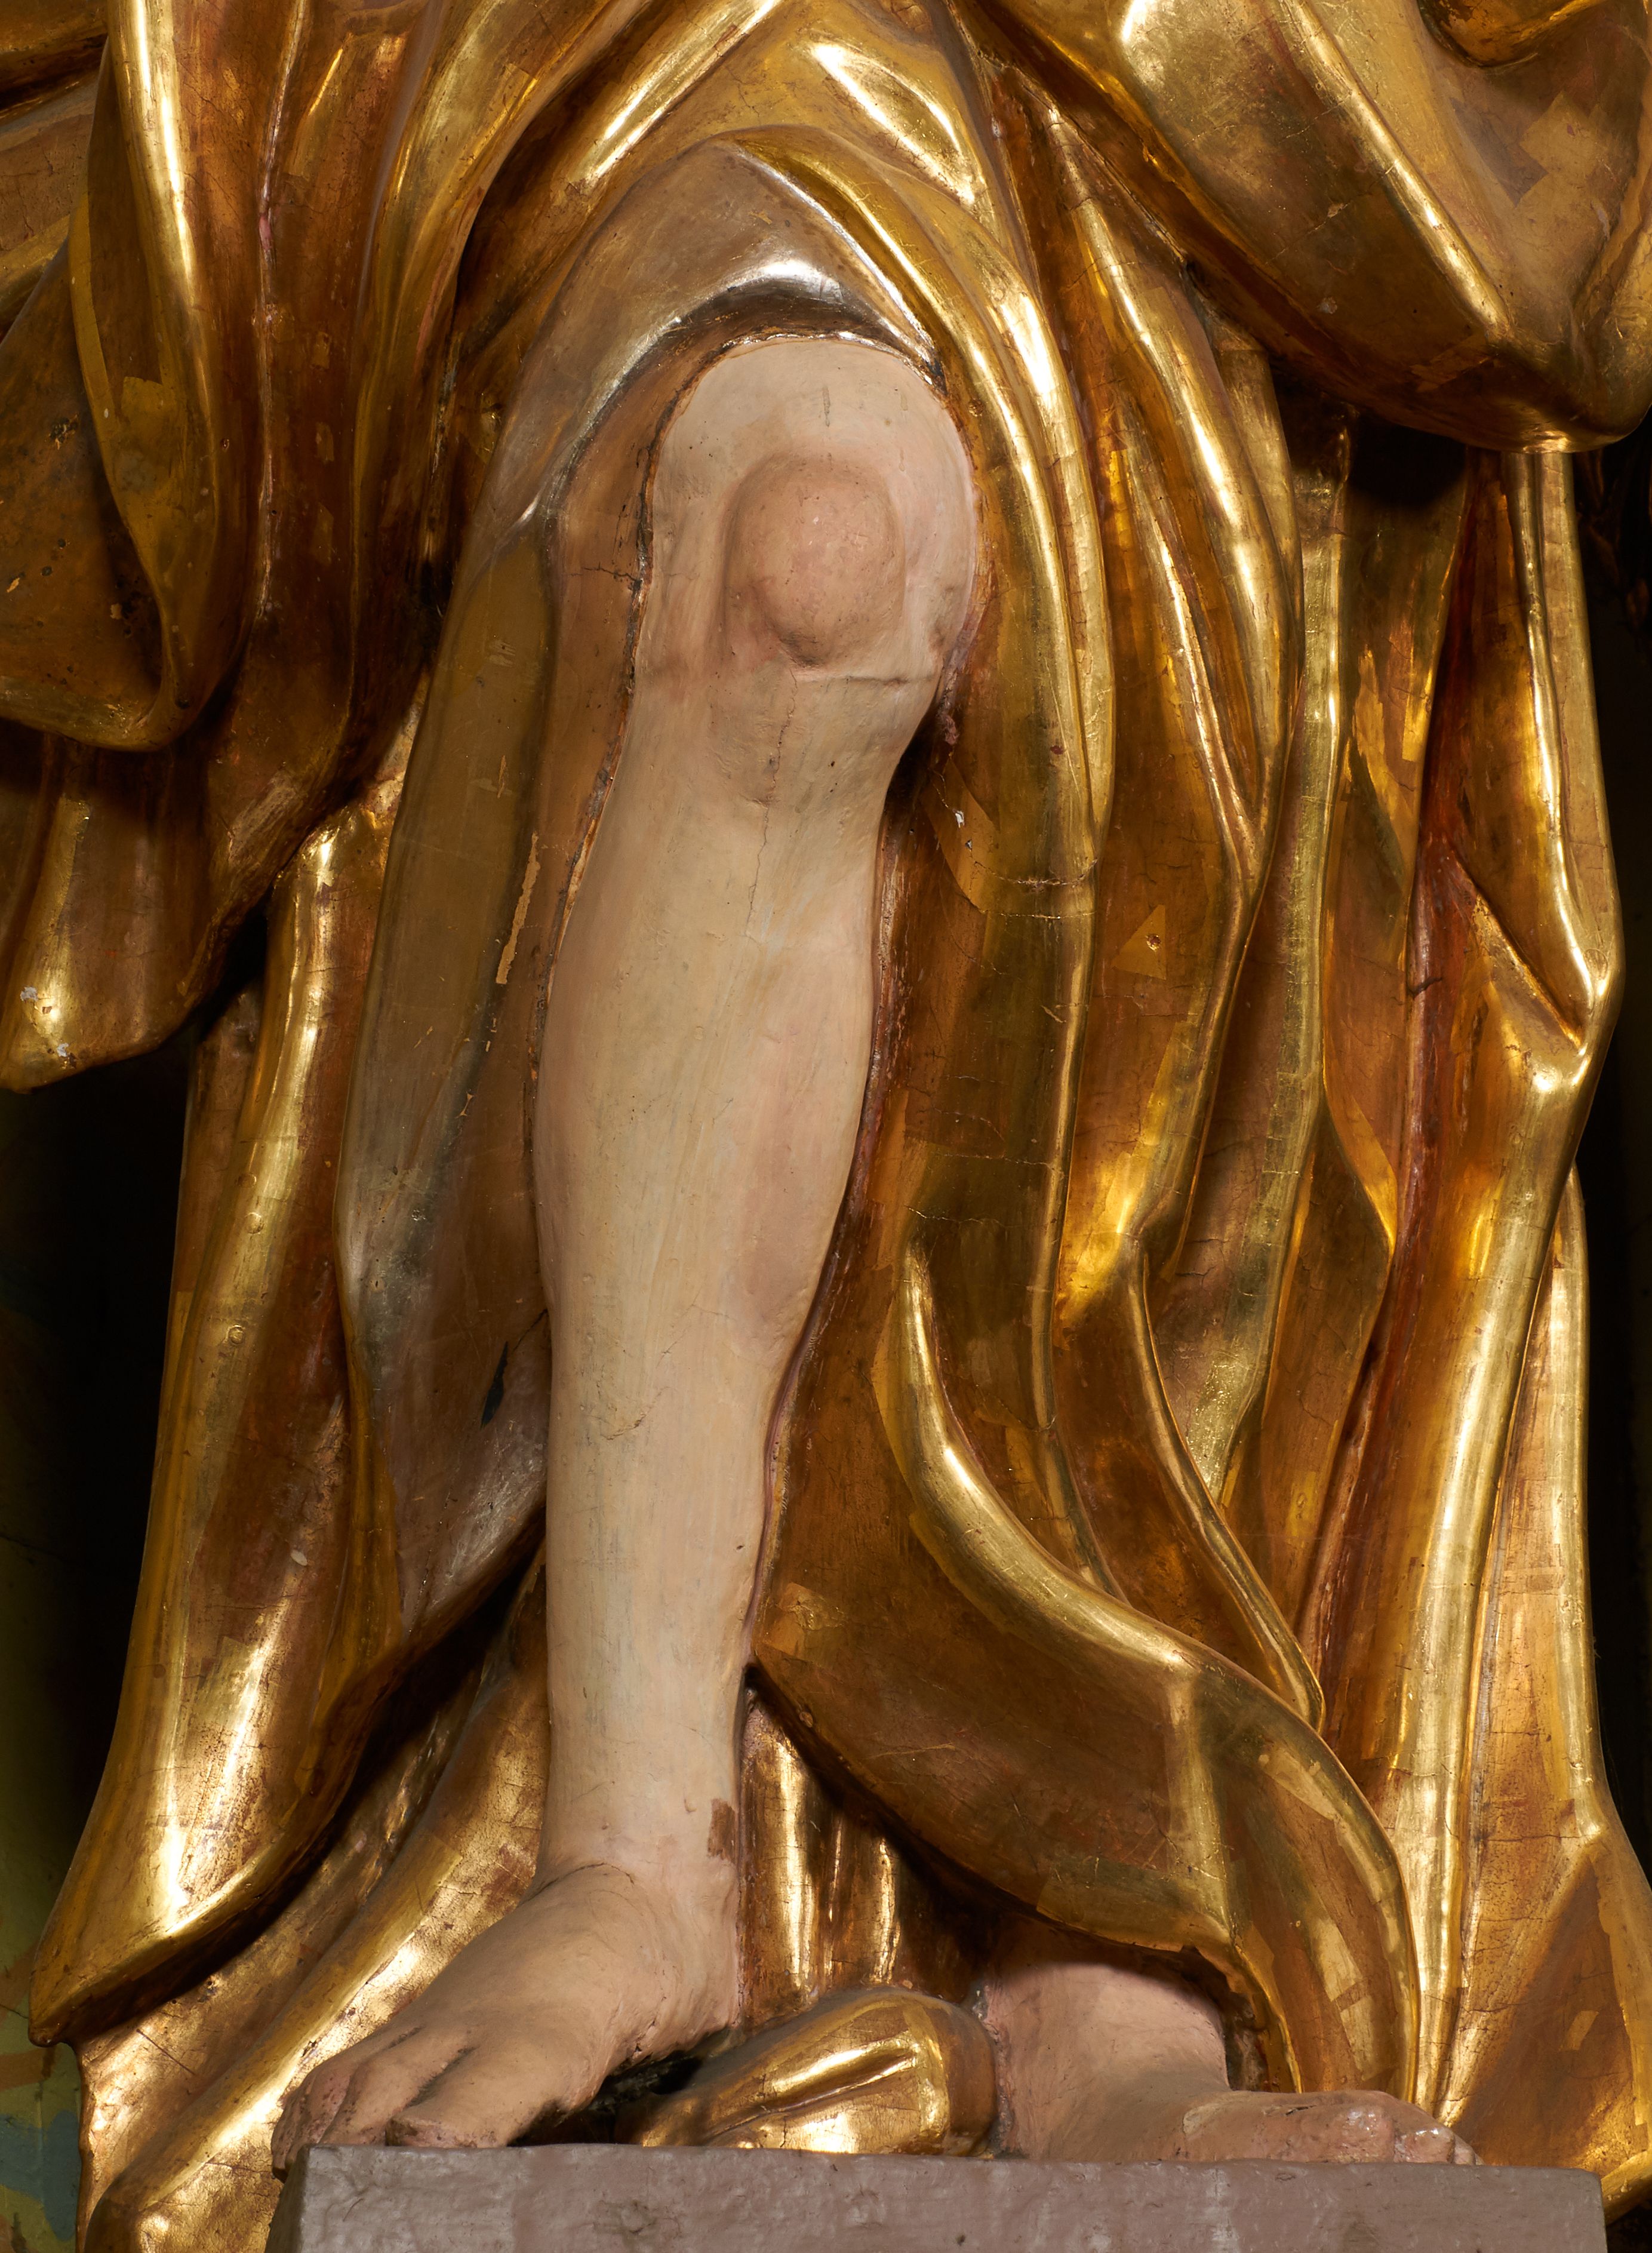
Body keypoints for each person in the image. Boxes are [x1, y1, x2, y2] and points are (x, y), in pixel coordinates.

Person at [2, 0, 1651, 2243]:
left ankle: (1104, 1946)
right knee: (813, 536)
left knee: (1126, 782)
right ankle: (630, 1850)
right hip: (632, 51)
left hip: (1239, 119)